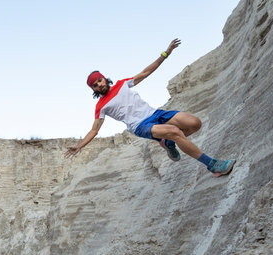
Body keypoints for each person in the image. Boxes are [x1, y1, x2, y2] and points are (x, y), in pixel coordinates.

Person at [64, 38, 236, 177]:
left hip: (154, 113)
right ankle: (213, 165)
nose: (98, 85)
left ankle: (168, 143)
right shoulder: (101, 106)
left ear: (104, 79)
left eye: (99, 80)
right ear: (93, 89)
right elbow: (94, 130)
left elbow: (146, 72)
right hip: (139, 125)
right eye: (94, 85)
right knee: (175, 132)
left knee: (194, 123)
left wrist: (165, 53)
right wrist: (79, 146)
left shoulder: (122, 84)